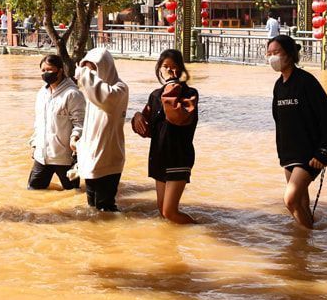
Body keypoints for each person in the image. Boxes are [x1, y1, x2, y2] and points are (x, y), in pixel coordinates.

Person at [266, 35, 327, 229]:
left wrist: (324, 151)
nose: (272, 57)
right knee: (300, 203)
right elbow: (279, 121)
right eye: (269, 54)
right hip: (289, 154)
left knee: (290, 199)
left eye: (277, 53)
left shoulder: (306, 81)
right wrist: (281, 152)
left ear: (290, 54)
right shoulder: (278, 86)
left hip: (310, 154)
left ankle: (307, 238)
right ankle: (306, 246)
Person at [132, 49, 199, 224]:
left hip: (178, 157)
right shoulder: (155, 95)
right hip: (159, 155)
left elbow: (177, 117)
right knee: (162, 211)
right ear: (159, 69)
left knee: (170, 212)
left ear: (181, 70)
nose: (170, 71)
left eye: (174, 67)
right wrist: (137, 116)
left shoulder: (189, 93)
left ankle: (199, 229)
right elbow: (146, 129)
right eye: (166, 67)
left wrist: (171, 86)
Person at [73, 47, 128, 212]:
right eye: (87, 68)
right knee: (92, 207)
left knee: (106, 208)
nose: (89, 73)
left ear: (105, 66)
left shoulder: (119, 89)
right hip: (90, 157)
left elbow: (107, 98)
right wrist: (79, 144)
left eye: (93, 68)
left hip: (108, 158)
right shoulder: (92, 93)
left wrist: (83, 74)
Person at [28, 54, 85, 190]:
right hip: (42, 157)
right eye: (43, 70)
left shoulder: (72, 94)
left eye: (49, 70)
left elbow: (80, 123)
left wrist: (75, 138)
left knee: (73, 194)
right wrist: (35, 144)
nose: (46, 73)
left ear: (60, 70)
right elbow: (39, 122)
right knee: (33, 191)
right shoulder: (42, 93)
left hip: (65, 157)